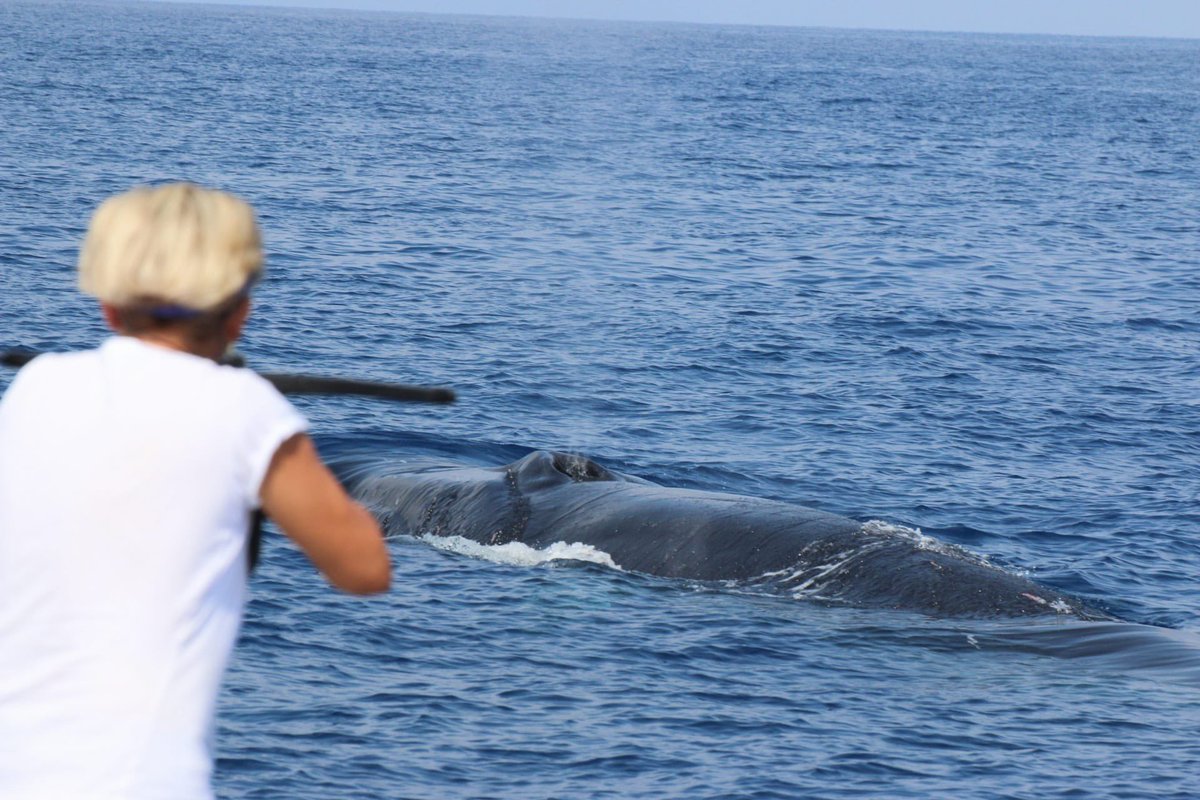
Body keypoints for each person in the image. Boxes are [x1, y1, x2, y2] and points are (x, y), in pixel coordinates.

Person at [0, 183, 390, 800]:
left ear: (108, 303)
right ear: (240, 312)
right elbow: (365, 568)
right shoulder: (245, 411)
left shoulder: (36, 389)